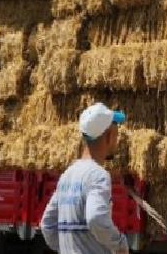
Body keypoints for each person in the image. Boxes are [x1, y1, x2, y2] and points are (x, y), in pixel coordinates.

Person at [40, 103, 129, 254]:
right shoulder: (98, 176)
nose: (117, 139)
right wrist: (119, 243)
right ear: (108, 136)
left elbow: (47, 224)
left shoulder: (67, 176)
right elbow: (95, 218)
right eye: (116, 133)